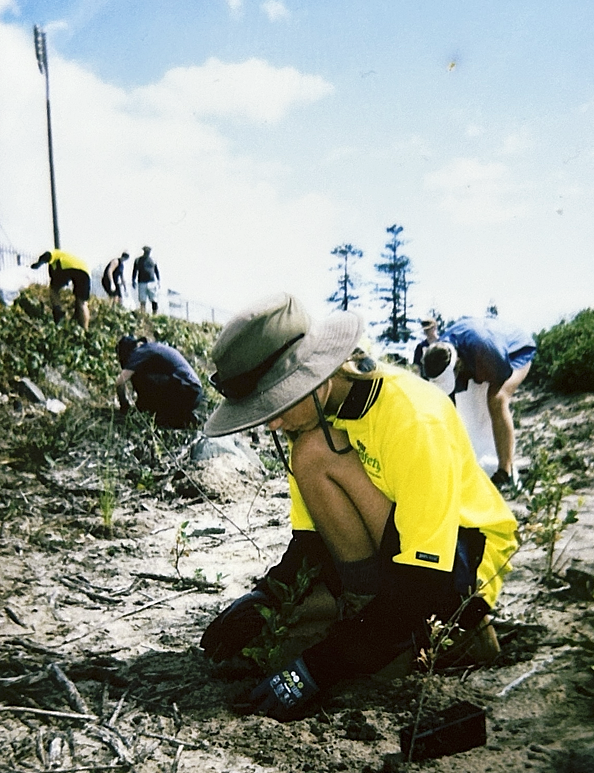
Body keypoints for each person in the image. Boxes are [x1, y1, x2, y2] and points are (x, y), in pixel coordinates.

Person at [199, 293, 518, 722]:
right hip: (398, 553)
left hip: (456, 560)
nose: (271, 422)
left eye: (276, 404)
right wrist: (264, 599)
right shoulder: (314, 421)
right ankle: (366, 618)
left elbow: (425, 579)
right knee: (310, 454)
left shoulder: (411, 417)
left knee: (357, 658)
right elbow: (310, 545)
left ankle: (457, 634)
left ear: (317, 375)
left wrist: (324, 664)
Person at [422, 317, 536, 488]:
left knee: (496, 399)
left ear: (457, 364)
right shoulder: (440, 351)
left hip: (515, 351)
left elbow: (499, 375)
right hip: (475, 355)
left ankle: (505, 471)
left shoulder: (486, 348)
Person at [115, 336, 203, 428]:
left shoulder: (138, 353)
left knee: (139, 377)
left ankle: (175, 418)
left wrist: (124, 405)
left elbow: (120, 382)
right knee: (162, 419)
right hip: (194, 393)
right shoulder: (152, 348)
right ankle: (183, 419)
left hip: (185, 389)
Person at [31, 249, 91, 330]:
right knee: (82, 302)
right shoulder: (68, 256)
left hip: (65, 266)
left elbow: (47, 255)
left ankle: (59, 313)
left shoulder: (56, 254)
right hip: (84, 270)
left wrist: (38, 264)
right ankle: (85, 329)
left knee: (53, 290)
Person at [132, 246, 160, 315]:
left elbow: (156, 271)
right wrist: (133, 280)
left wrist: (158, 280)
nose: (147, 252)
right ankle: (143, 314)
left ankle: (155, 314)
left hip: (152, 282)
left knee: (154, 299)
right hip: (141, 282)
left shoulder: (153, 260)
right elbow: (134, 271)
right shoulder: (138, 260)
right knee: (142, 299)